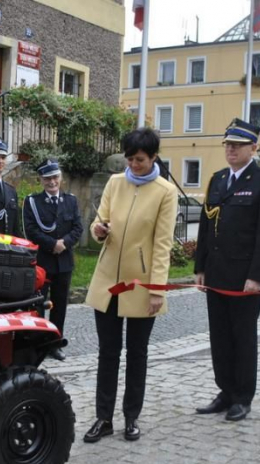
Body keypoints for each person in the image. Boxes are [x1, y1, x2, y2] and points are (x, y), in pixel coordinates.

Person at [84, 128, 178, 443]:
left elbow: (163, 244)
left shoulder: (165, 192)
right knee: (107, 353)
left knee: (137, 353)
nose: (133, 165)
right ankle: (103, 418)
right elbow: (99, 223)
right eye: (129, 159)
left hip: (139, 283)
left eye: (140, 159)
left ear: (153, 158)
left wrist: (157, 289)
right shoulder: (114, 183)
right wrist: (98, 229)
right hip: (110, 282)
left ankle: (131, 417)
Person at [194, 118, 260, 422]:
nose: (230, 149)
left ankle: (243, 396)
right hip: (216, 274)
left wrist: (257, 276)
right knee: (219, 337)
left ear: (253, 148)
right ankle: (225, 391)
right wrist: (200, 267)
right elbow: (206, 226)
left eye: (238, 145)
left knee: (242, 337)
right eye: (228, 144)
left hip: (244, 278)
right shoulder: (218, 180)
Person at [22, 159, 83, 361]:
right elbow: (30, 230)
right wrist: (51, 244)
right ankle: (38, 343)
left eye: (55, 177)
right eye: (47, 178)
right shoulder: (33, 202)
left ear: (61, 178)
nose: (52, 182)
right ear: (41, 179)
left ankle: (55, 344)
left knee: (60, 305)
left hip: (64, 262)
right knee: (38, 304)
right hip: (43, 262)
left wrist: (63, 243)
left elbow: (77, 228)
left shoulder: (71, 201)